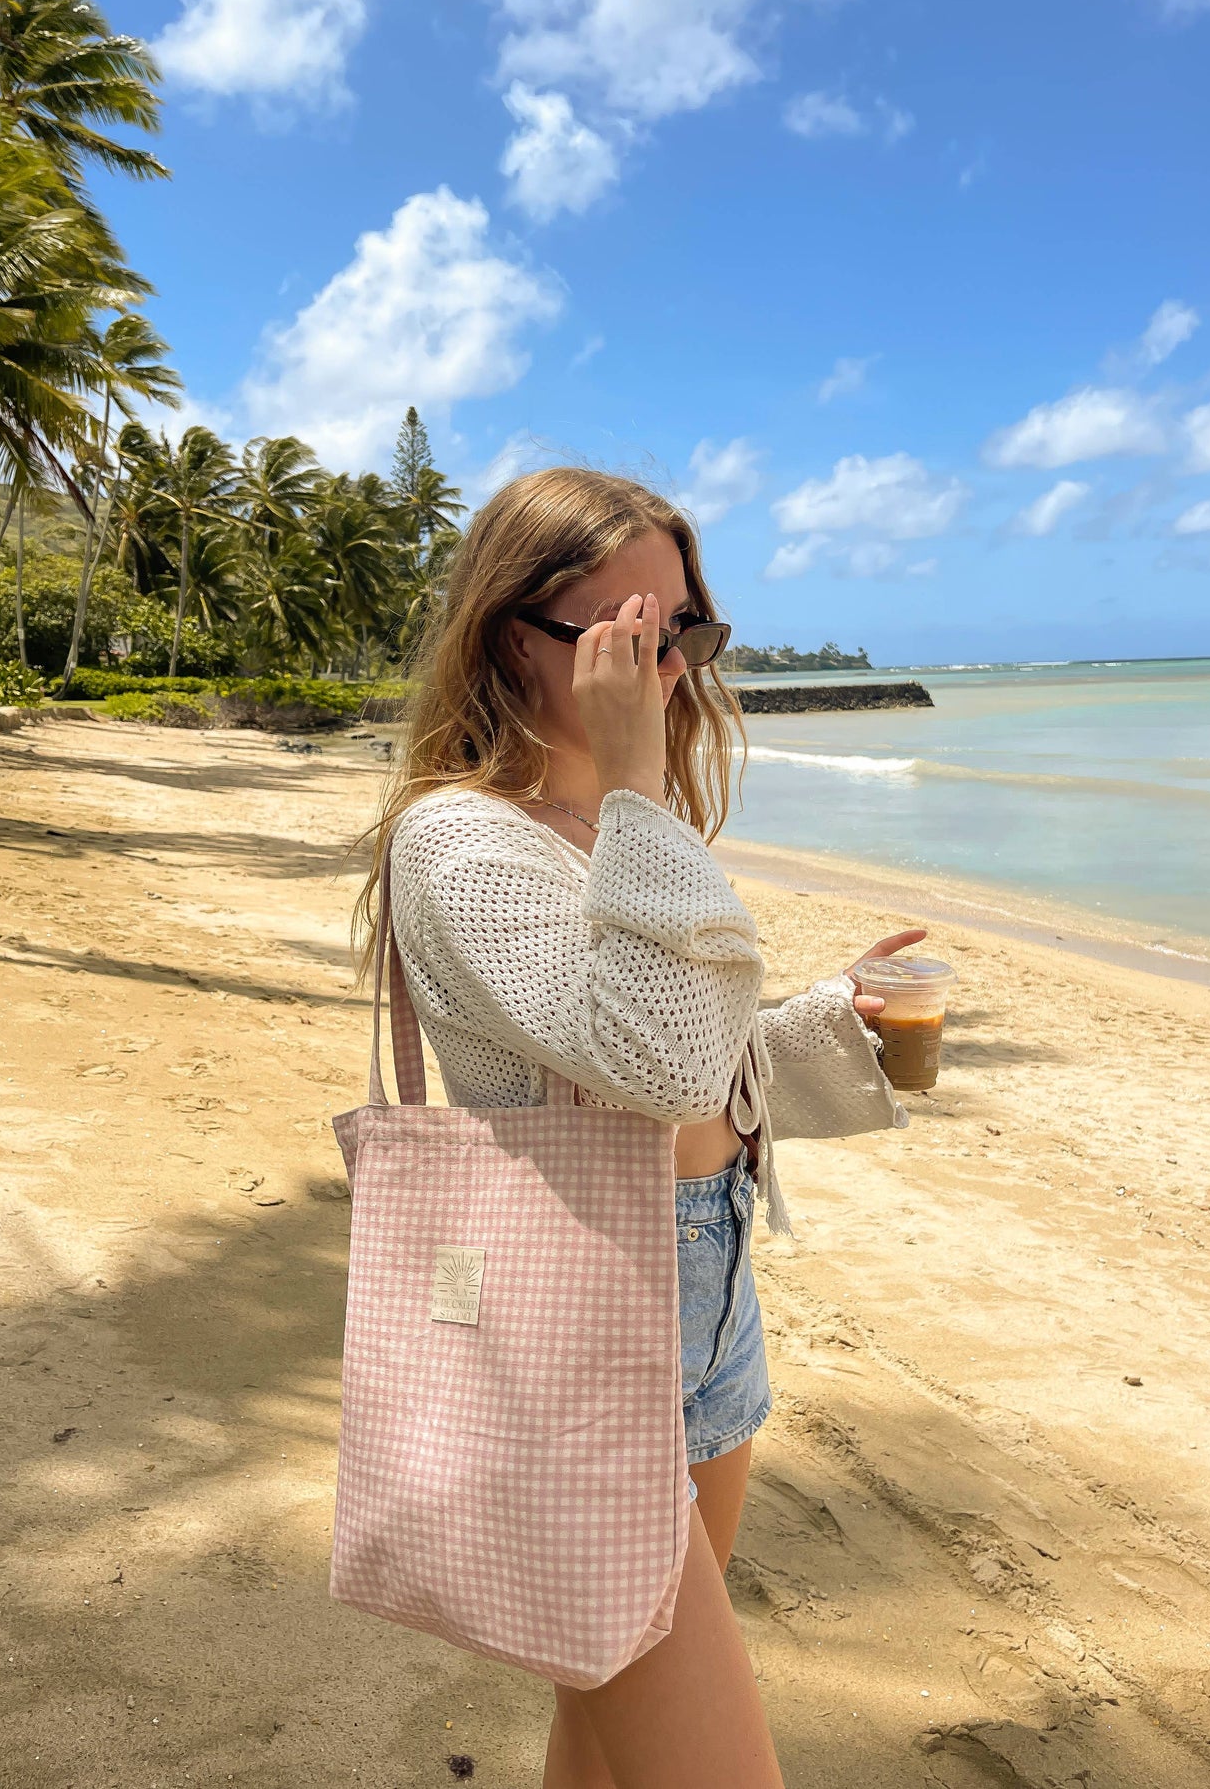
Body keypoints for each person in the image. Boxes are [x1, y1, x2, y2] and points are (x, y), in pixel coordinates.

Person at [356, 467, 924, 1789]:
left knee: (606, 1739)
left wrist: (829, 1018)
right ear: (512, 636)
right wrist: (636, 779)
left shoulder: (595, 824)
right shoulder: (461, 842)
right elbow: (652, 1061)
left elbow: (679, 1070)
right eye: (619, 632)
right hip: (572, 1324)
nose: (660, 663)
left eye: (679, 628)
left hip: (707, 1291)